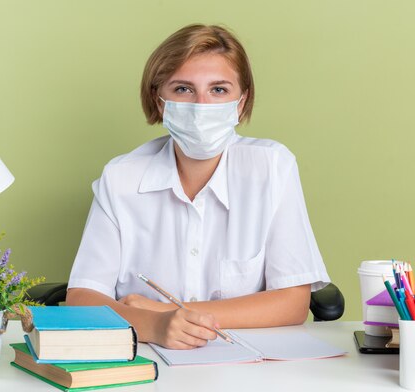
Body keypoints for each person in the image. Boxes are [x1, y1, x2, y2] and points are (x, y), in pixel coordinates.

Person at [67, 24, 330, 350]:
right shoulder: (120, 178)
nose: (201, 105)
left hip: (248, 364)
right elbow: (82, 296)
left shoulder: (272, 168)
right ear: (159, 100)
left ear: (241, 102)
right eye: (183, 89)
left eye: (218, 90)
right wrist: (154, 325)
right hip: (146, 360)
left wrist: (167, 312)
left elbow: (292, 303)